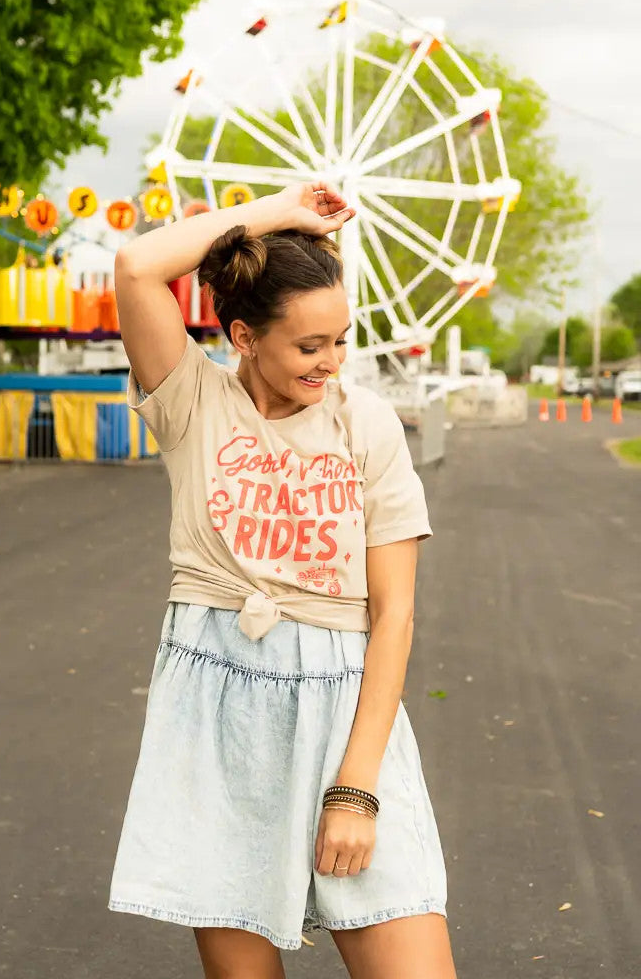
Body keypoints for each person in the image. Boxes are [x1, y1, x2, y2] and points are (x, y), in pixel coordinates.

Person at [107, 182, 456, 979]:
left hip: (344, 711)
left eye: (341, 340)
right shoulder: (192, 402)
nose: (330, 363)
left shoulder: (364, 424)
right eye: (308, 346)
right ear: (242, 337)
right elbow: (136, 265)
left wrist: (357, 790)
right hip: (217, 713)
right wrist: (281, 211)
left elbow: (394, 612)